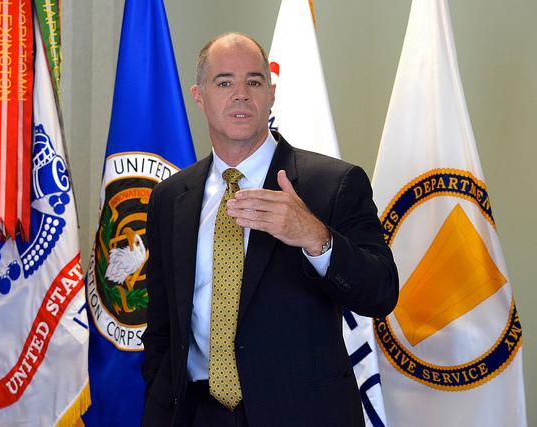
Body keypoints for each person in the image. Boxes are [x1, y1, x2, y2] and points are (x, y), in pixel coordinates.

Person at [141, 32, 398, 427]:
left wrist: (315, 237)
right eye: (224, 82)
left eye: (254, 82)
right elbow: (162, 329)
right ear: (199, 95)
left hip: (302, 415)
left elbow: (380, 293)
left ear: (272, 94)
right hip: (198, 413)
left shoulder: (332, 183)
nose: (241, 94)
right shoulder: (171, 197)